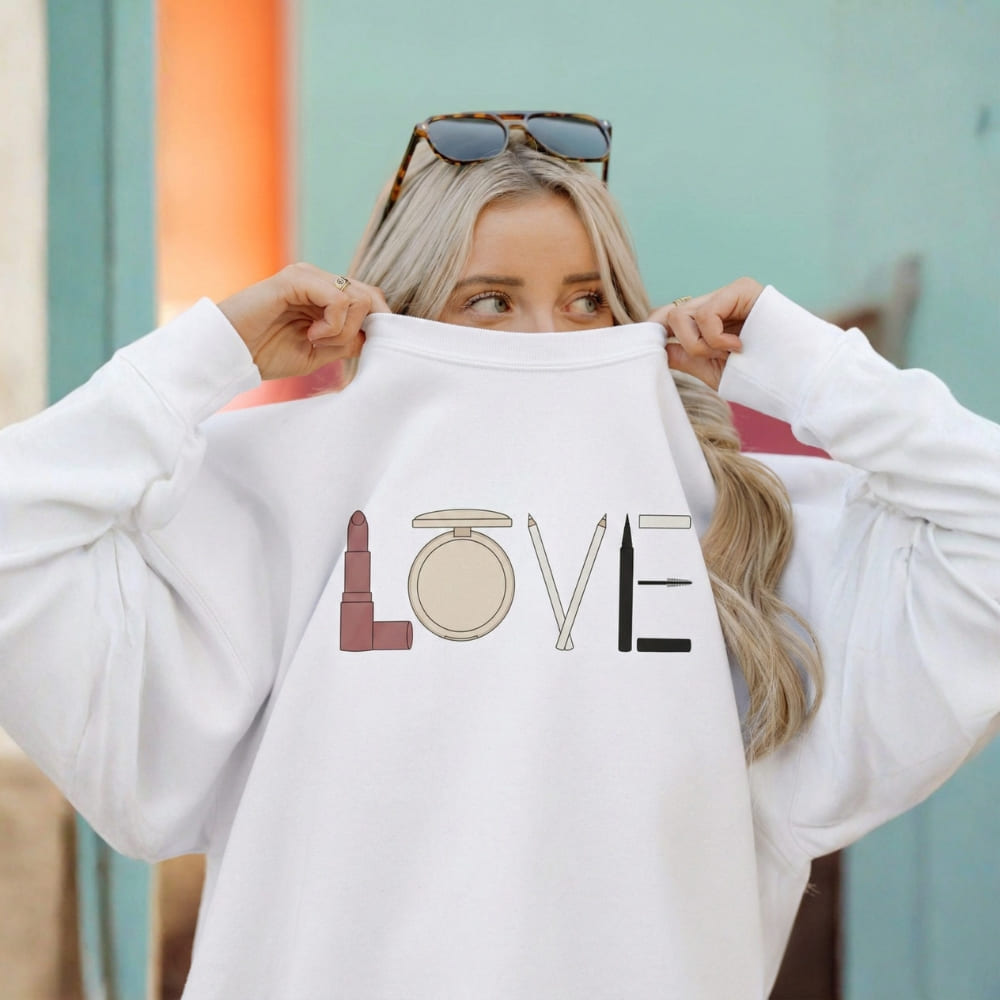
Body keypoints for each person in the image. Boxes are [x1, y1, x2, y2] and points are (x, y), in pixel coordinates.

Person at [1, 111, 998, 999]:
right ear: (391, 313)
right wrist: (212, 352)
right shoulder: (271, 490)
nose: (545, 337)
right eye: (488, 301)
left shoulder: (735, 520)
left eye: (587, 301)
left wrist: (805, 365)